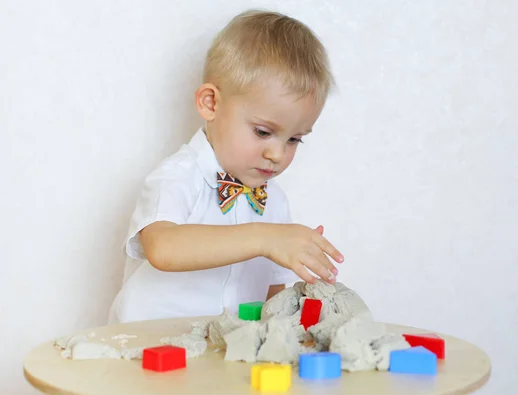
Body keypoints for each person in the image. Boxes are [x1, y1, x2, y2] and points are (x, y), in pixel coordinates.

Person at [108, 9, 344, 324]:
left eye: (294, 139)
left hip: (223, 354)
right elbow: (162, 249)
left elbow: (272, 295)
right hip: (147, 347)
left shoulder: (274, 202)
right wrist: (264, 238)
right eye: (263, 132)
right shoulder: (178, 175)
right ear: (211, 104)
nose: (277, 154)